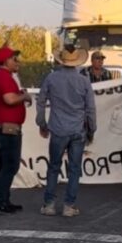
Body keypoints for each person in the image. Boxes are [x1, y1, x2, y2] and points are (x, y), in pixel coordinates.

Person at [37, 45, 97, 217]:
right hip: (77, 129)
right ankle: (69, 205)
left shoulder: (51, 78)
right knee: (75, 168)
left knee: (54, 166)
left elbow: (40, 102)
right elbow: (91, 109)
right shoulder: (84, 81)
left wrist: (42, 123)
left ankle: (49, 204)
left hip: (58, 128)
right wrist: (92, 129)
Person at [0, 46, 33, 215]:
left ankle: (3, 200)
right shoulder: (3, 77)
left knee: (3, 166)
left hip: (3, 127)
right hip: (8, 128)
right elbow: (9, 99)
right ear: (5, 61)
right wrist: (24, 96)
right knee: (10, 166)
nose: (17, 62)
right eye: (14, 59)